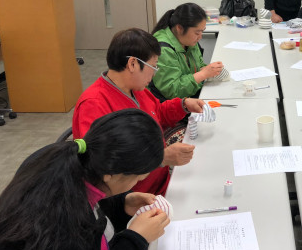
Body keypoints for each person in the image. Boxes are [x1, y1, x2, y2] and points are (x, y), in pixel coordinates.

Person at [0, 109, 171, 250]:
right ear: (110, 174)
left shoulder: (75, 169)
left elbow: (92, 213)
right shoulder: (55, 228)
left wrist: (122, 205)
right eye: (137, 178)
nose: (136, 184)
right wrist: (135, 240)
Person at [72, 28, 205, 196]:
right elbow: (102, 166)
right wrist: (161, 158)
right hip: (134, 197)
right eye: (153, 67)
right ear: (133, 64)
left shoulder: (136, 88)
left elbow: (157, 113)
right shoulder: (94, 104)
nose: (154, 74)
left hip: (160, 182)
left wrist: (183, 105)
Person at [151, 3, 224, 100]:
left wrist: (209, 70)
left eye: (202, 31)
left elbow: (199, 65)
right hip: (169, 103)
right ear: (180, 28)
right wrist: (203, 74)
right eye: (197, 33)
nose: (200, 37)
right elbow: (172, 91)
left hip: (188, 96)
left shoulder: (188, 41)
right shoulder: (163, 50)